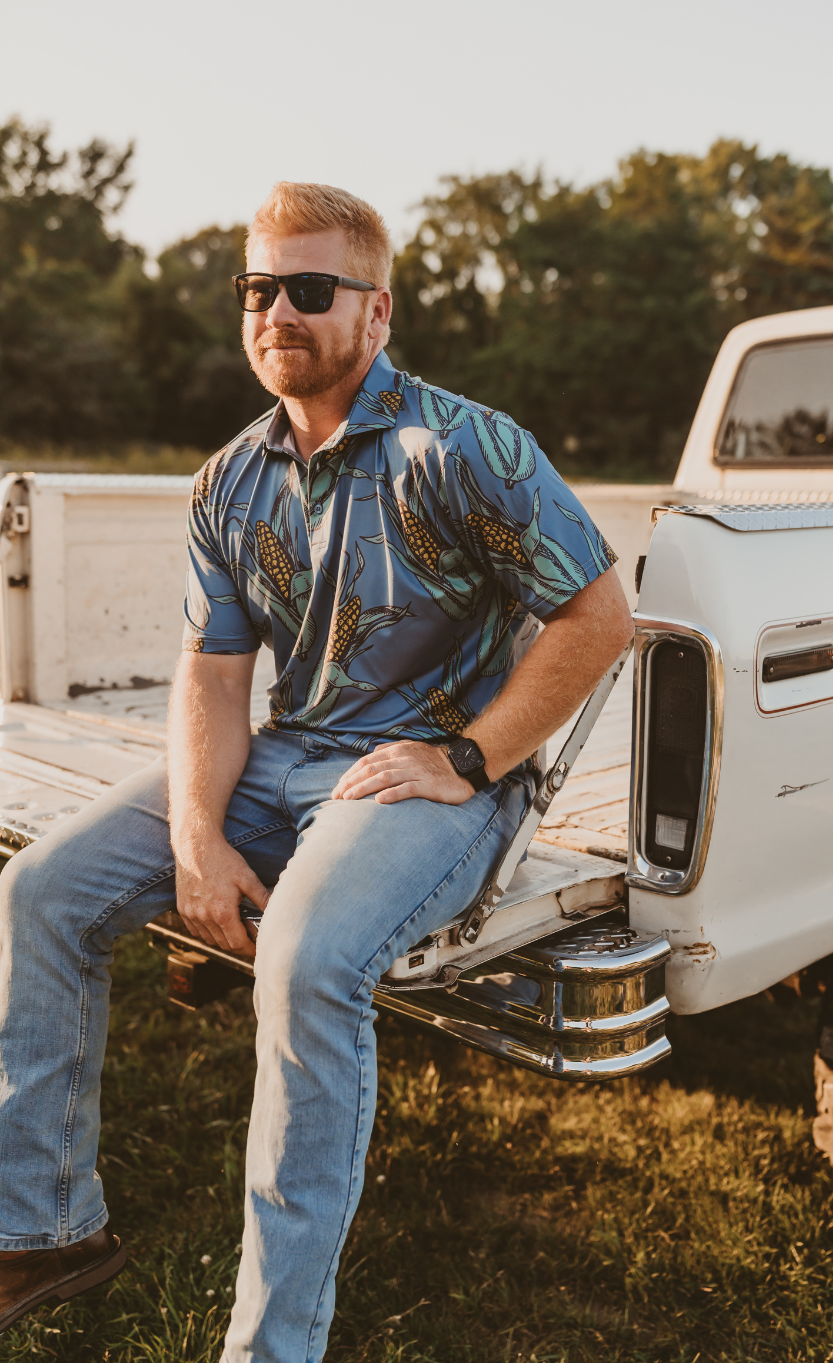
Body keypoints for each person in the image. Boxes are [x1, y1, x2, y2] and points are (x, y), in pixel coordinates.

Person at [0, 182, 632, 1360]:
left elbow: (598, 613)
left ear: (376, 312)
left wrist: (471, 753)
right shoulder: (228, 481)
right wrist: (196, 837)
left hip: (431, 778)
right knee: (40, 890)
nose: (275, 309)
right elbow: (212, 677)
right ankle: (43, 1227)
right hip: (288, 755)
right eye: (256, 287)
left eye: (308, 288)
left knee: (302, 959)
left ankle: (272, 1344)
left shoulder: (467, 448)